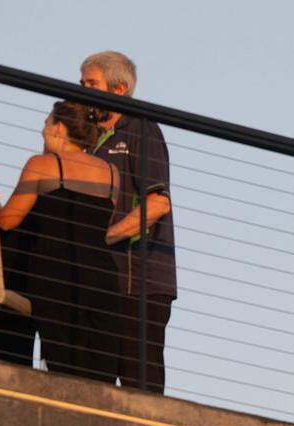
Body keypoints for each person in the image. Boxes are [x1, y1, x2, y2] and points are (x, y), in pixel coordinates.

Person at [0, 101, 121, 381]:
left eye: (47, 122)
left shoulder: (42, 165)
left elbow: (8, 220)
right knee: (97, 372)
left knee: (62, 369)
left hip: (56, 277)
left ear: (60, 128)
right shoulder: (112, 173)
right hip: (103, 279)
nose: (42, 129)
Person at [80, 50, 176, 394]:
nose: (83, 90)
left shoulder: (141, 127)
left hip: (142, 281)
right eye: (81, 83)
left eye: (91, 83)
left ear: (119, 89)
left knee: (141, 384)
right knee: (95, 383)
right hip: (103, 278)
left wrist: (104, 236)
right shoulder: (88, 139)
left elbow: (158, 202)